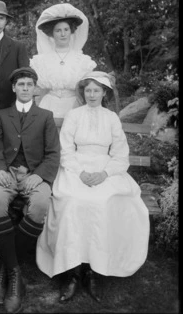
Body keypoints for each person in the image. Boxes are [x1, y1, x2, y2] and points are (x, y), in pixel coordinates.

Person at [36, 71, 150, 302]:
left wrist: (104, 173)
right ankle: (73, 271)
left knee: (102, 201)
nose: (91, 94)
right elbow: (65, 149)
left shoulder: (111, 118)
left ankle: (92, 268)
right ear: (83, 92)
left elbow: (120, 155)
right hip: (75, 168)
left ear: (104, 93)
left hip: (104, 169)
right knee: (72, 201)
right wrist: (81, 173)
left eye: (96, 90)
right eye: (88, 90)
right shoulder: (74, 115)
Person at [0, 67, 60, 313]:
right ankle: (15, 273)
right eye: (21, 84)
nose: (25, 88)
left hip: (34, 177)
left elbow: (52, 154)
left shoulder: (46, 116)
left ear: (35, 88)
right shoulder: (0, 115)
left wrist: (38, 176)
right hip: (6, 175)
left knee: (39, 205)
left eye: (29, 84)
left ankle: (6, 272)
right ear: (14, 88)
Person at [30, 3, 97, 118]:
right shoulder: (42, 60)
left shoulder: (81, 61)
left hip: (74, 106)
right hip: (48, 105)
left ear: (71, 31)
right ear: (51, 34)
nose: (63, 34)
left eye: (66, 29)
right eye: (58, 30)